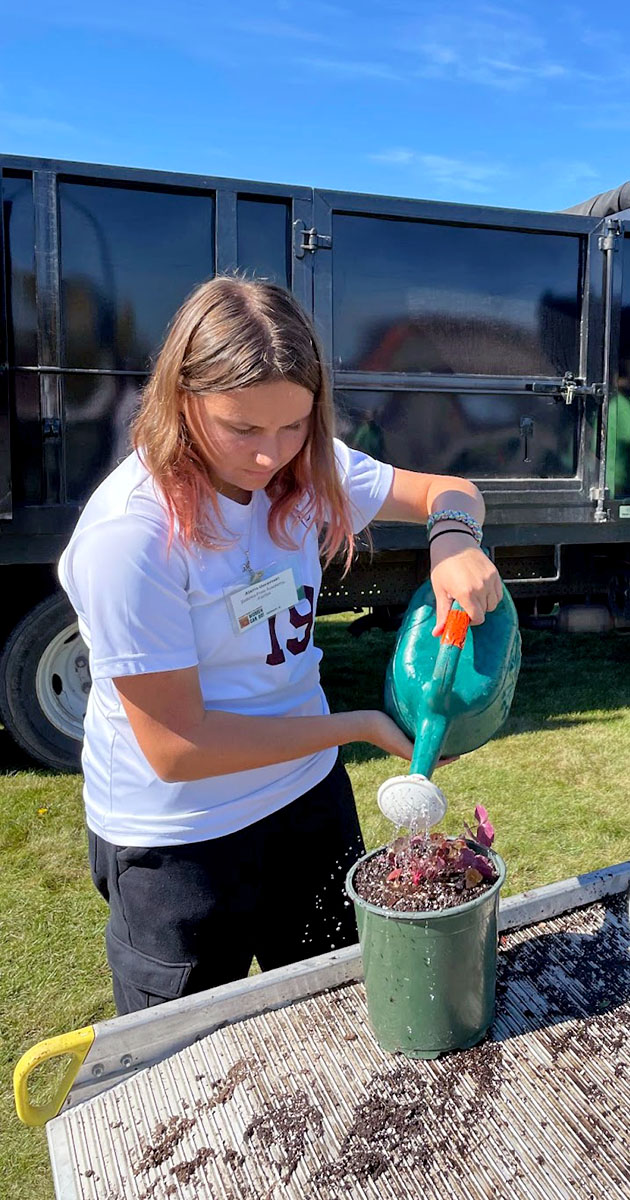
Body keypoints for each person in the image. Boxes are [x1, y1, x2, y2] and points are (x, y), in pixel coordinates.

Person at [58, 276, 502, 1016]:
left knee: (339, 1015)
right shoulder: (130, 536)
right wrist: (360, 727)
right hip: (182, 842)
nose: (270, 457)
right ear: (182, 400)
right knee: (193, 1057)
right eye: (242, 430)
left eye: (293, 424)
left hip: (307, 805)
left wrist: (452, 540)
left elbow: (447, 491)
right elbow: (178, 748)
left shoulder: (307, 465)